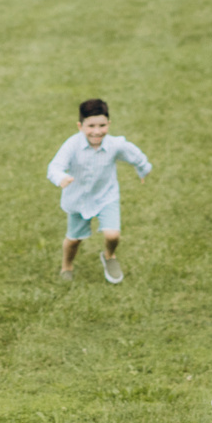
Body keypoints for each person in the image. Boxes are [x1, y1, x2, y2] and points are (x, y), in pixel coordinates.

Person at [46, 98, 151, 284]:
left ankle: (109, 256)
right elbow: (54, 166)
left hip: (106, 196)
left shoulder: (114, 145)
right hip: (77, 200)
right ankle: (67, 266)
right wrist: (61, 178)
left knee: (113, 235)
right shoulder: (71, 145)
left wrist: (143, 170)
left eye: (102, 125)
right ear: (80, 126)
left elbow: (135, 155)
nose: (97, 131)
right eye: (91, 126)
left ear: (109, 124)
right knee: (73, 240)